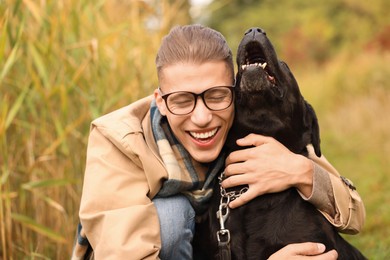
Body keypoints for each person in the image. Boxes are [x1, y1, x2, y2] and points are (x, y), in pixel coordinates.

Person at [72, 24, 365, 260]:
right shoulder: (119, 140)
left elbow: (354, 212)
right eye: (183, 100)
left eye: (216, 95)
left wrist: (301, 171)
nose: (202, 118)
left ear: (234, 93)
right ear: (160, 101)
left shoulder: (247, 128)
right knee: (172, 216)